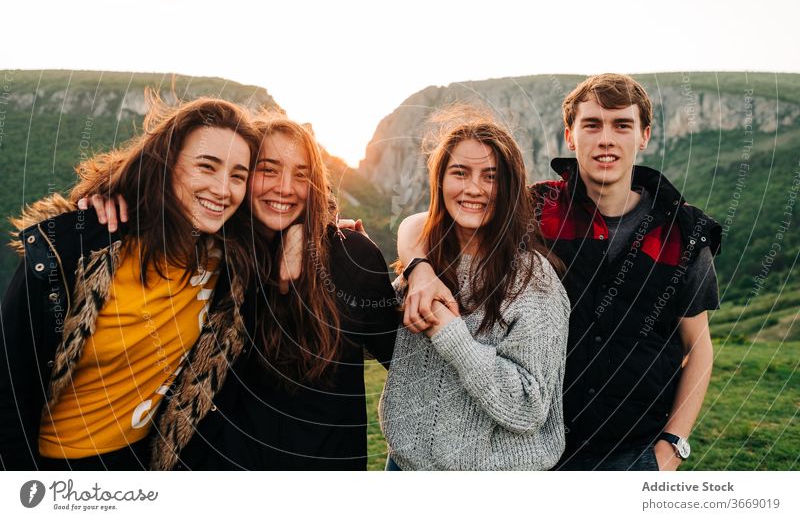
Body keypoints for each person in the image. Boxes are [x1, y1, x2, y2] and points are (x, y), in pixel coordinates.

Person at [398, 74, 721, 471]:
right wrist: (419, 269)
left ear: (644, 136)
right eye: (592, 124)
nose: (606, 139)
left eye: (622, 125)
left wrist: (672, 445)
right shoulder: (535, 210)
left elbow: (699, 347)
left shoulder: (684, 234)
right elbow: (422, 223)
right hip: (533, 450)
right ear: (570, 136)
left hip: (634, 452)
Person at [0, 93, 261, 470]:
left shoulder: (227, 258)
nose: (224, 189)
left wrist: (335, 232)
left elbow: (284, 210)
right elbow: (7, 389)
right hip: (56, 467)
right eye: (207, 166)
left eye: (238, 176)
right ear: (167, 165)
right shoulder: (78, 251)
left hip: (145, 461)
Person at [156, 114, 398, 470]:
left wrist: (417, 260)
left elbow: (404, 359)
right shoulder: (214, 254)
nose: (286, 187)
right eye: (268, 169)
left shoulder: (351, 256)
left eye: (301, 174)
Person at [380, 106, 570, 470]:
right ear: (440, 182)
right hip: (404, 468)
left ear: (510, 186)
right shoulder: (426, 261)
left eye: (490, 176)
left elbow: (529, 407)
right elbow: (384, 336)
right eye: (460, 173)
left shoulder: (534, 281)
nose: (473, 188)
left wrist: (452, 335)